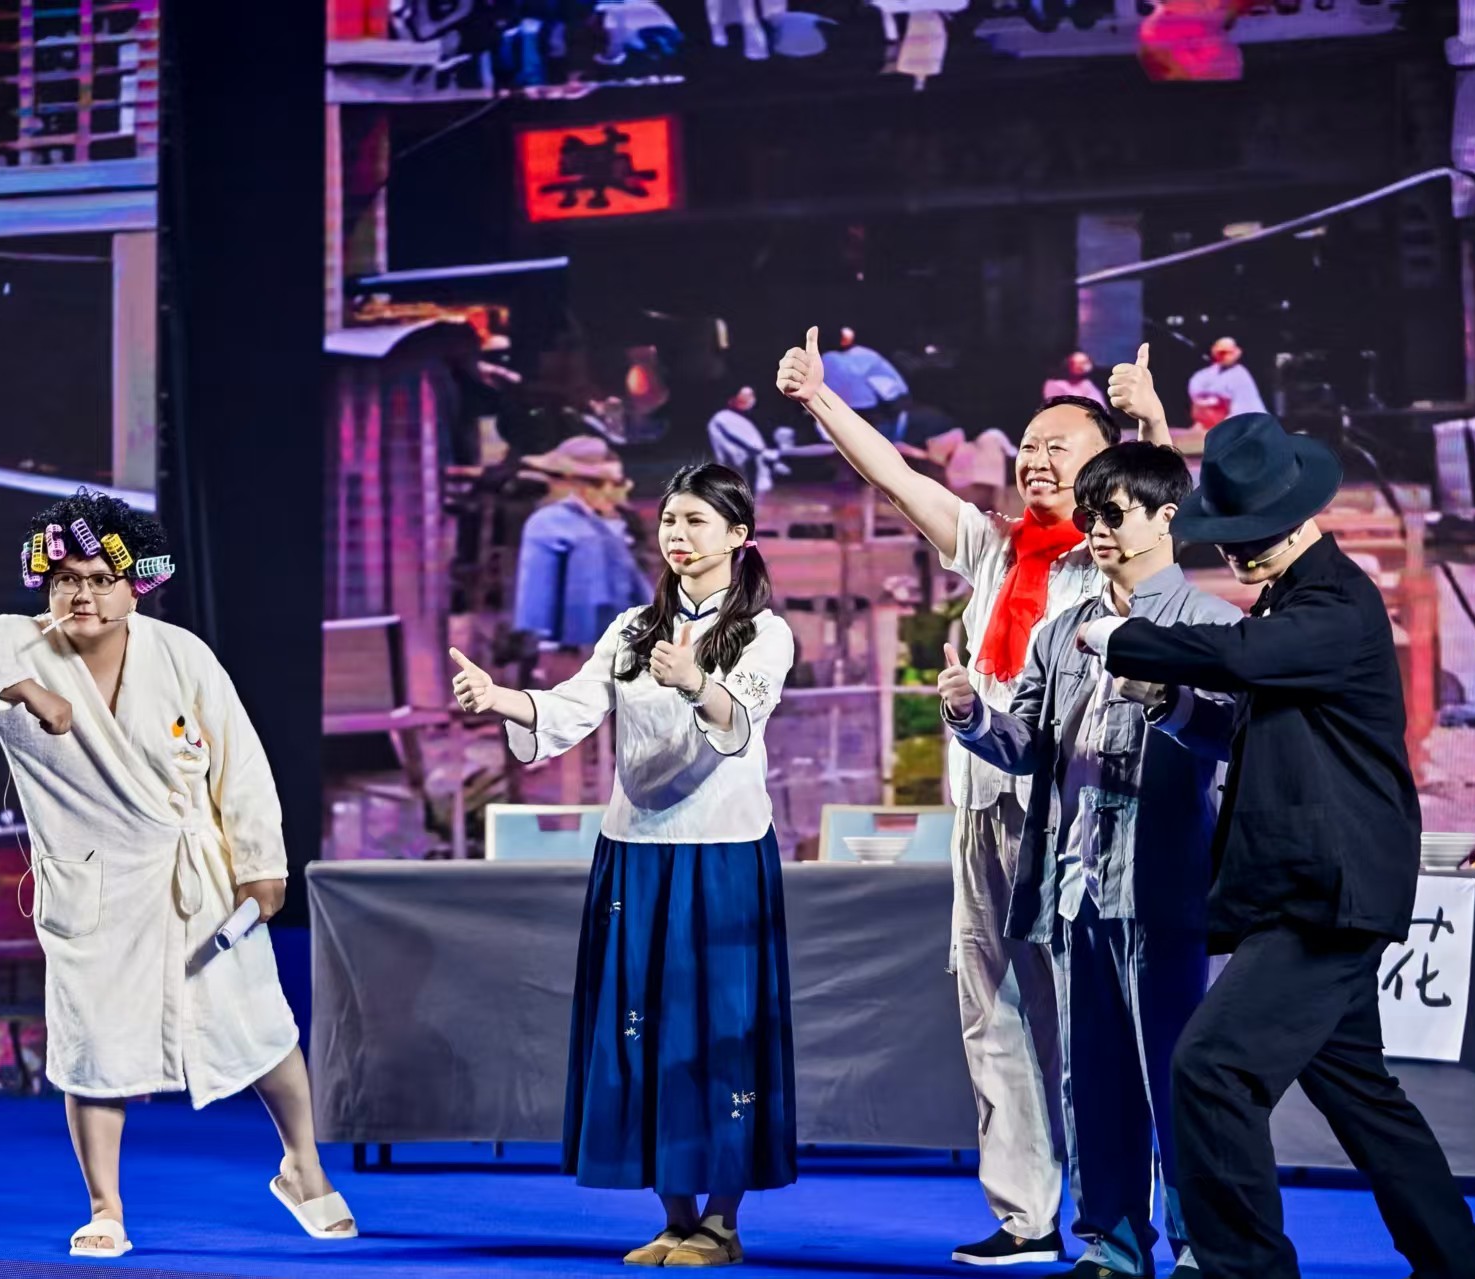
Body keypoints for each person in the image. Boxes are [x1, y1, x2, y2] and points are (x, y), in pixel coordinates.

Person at [777, 326, 1170, 1268]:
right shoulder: (996, 549)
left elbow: (1165, 499)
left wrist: (1152, 419)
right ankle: (1024, 1214)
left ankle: (1112, 1219)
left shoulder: (1114, 557)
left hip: (1076, 816)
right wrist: (820, 400)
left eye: (1058, 448)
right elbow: (896, 480)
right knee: (991, 1008)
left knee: (1086, 1019)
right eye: (1028, 446)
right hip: (984, 803)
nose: (1036, 461)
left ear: (1105, 466)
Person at [1075, 412, 1475, 1279]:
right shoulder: (1289, 598)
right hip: (1301, 886)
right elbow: (1249, 723)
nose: (1238, 553)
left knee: (1209, 1067)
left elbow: (1244, 655)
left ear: (1302, 519)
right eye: (1228, 538)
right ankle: (1458, 1266)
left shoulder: (1335, 602)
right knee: (1365, 1098)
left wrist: (1121, 637)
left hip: (1328, 893)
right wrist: (1169, 701)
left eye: (1253, 537)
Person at [0, 490, 356, 1259]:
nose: (81, 595)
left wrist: (261, 864)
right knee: (96, 1045)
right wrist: (24, 689)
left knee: (259, 1027)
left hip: (195, 878)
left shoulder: (181, 654)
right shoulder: (18, 647)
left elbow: (241, 763)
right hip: (94, 885)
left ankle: (302, 1165)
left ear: (135, 584)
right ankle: (105, 1206)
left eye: (99, 579)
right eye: (65, 580)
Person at [450, 463, 796, 1268]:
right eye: (671, 519)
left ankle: (722, 1221)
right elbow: (571, 707)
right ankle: (675, 1215)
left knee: (722, 1034)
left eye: (697, 521)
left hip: (723, 854)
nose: (679, 534)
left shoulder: (764, 632)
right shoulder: (633, 628)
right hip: (634, 852)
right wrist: (499, 698)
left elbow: (740, 719)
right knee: (642, 1030)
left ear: (739, 535)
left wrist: (696, 680)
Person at [939, 442, 1238, 1277]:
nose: (1097, 529)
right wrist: (972, 719)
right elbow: (1029, 747)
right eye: (1090, 514)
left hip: (1167, 888)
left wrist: (1168, 700)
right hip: (1074, 887)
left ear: (1166, 517)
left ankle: (1202, 1244)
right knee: (1091, 1077)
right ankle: (1111, 1240)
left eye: (1114, 513)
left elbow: (1235, 738)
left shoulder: (1213, 626)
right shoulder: (1060, 631)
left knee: (1179, 1075)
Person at [513, 435, 652, 648]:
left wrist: (535, 640)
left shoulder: (547, 522)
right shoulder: (614, 527)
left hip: (577, 643)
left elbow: (536, 605)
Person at [821, 325, 912, 440]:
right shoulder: (828, 359)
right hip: (853, 412)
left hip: (875, 411)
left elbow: (892, 389)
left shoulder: (864, 355)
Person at [707, 385, 786, 496]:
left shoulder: (744, 421)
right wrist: (765, 453)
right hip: (738, 471)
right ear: (732, 399)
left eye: (751, 395)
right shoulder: (722, 417)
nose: (750, 399)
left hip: (751, 472)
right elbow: (744, 443)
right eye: (745, 395)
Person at [1186, 337, 1265, 429]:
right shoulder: (1203, 375)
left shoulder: (1241, 375)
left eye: (1228, 353)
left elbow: (1244, 409)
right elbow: (1195, 394)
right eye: (1221, 353)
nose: (1225, 356)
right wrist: (1210, 401)